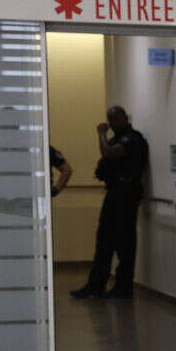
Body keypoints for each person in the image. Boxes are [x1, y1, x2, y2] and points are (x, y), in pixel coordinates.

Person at [71, 106, 149, 299]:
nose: (111, 124)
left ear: (124, 118)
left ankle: (123, 288)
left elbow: (108, 152)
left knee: (124, 242)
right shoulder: (118, 137)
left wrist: (100, 133)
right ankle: (95, 286)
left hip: (126, 193)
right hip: (115, 192)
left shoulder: (131, 138)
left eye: (114, 119)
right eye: (109, 120)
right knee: (104, 240)